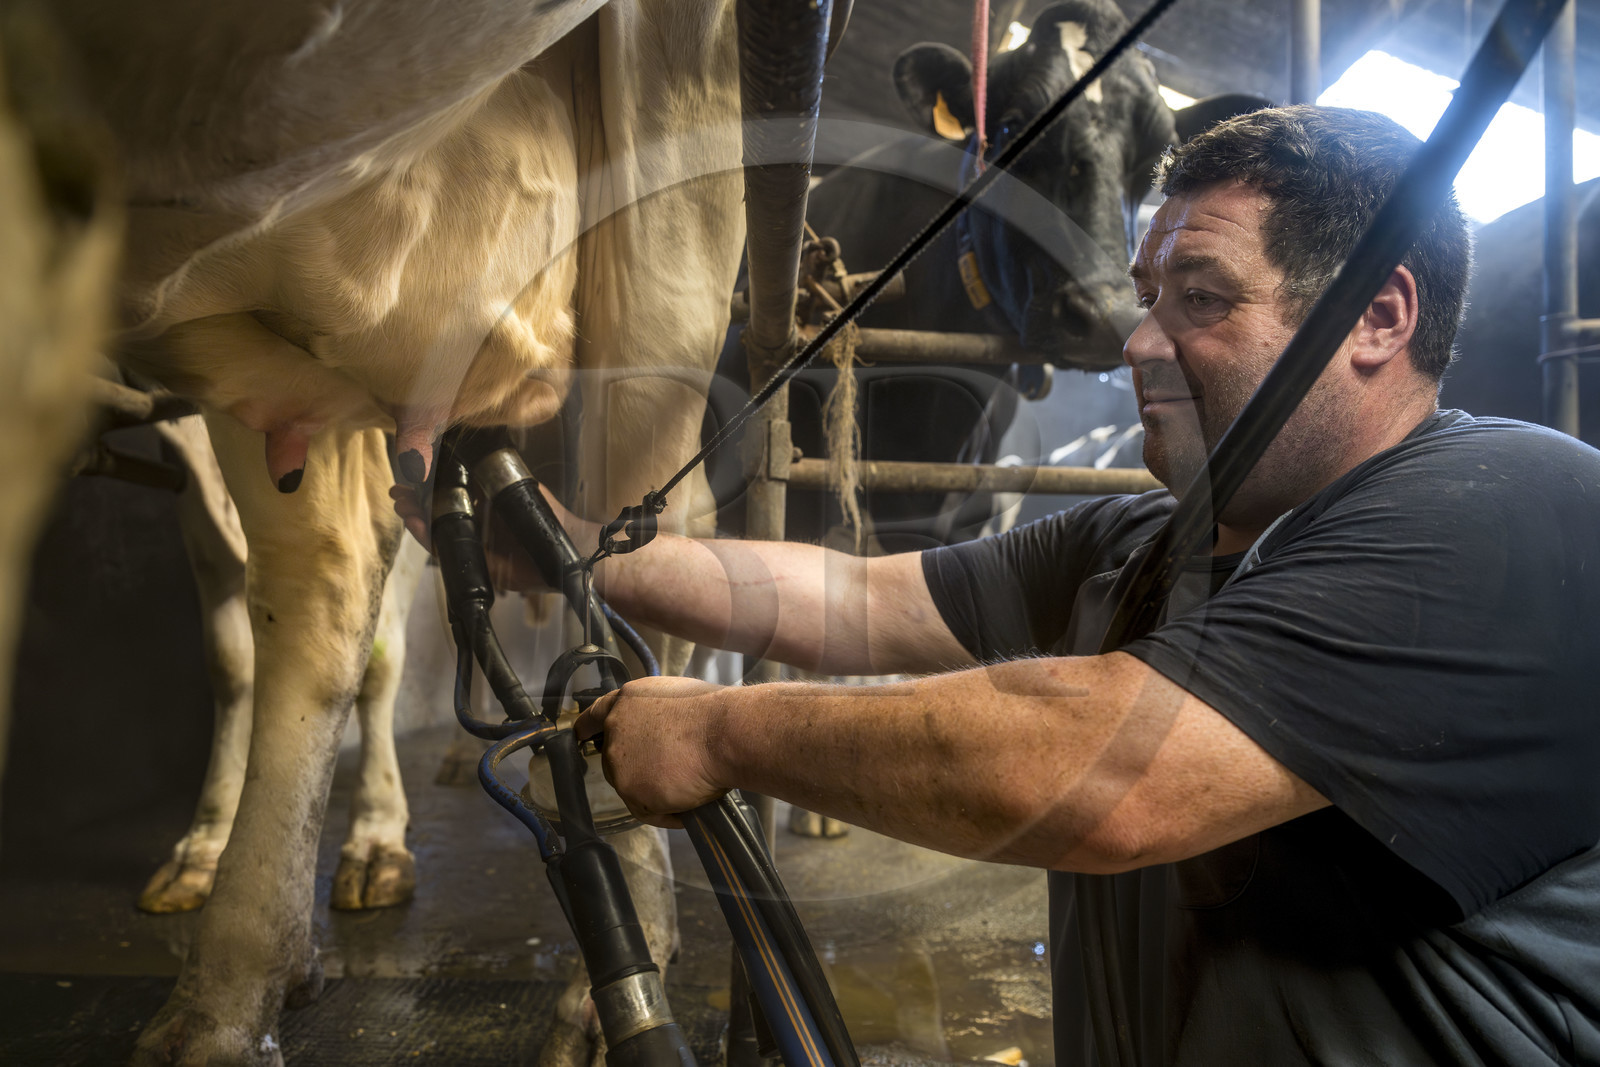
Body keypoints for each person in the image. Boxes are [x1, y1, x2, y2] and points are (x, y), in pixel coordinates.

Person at [398, 105, 1600, 1064]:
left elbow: (1101, 776)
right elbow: (857, 601)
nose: (1138, 341)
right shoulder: (1140, 542)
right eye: (1147, 296)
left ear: (1378, 317)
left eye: (1202, 299)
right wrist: (574, 545)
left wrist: (720, 727)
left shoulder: (1509, 507)